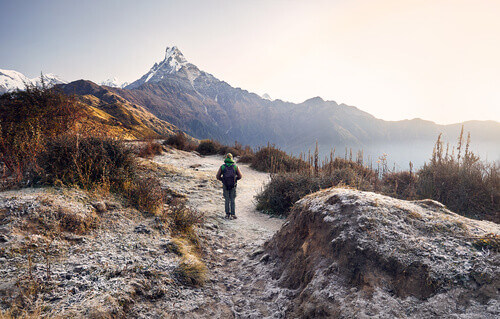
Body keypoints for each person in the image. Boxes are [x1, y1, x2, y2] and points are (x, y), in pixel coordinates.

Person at [216, 153, 242, 219]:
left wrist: (223, 180)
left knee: (227, 199)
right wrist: (235, 180)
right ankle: (233, 214)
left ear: (226, 158)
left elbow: (217, 176)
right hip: (233, 185)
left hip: (225, 184)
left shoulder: (223, 166)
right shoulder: (235, 166)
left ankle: (227, 214)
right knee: (232, 199)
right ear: (232, 158)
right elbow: (240, 176)